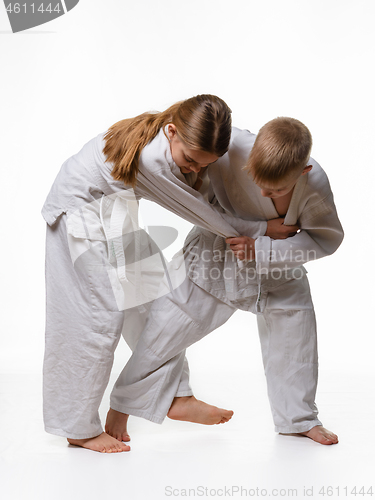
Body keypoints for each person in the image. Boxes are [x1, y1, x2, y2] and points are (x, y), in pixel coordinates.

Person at [42, 95, 295, 454]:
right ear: (171, 131)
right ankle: (77, 427)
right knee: (95, 321)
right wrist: (260, 228)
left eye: (202, 164)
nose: (194, 169)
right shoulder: (151, 160)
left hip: (113, 210)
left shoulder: (178, 140)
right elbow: (196, 211)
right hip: (78, 215)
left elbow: (231, 149)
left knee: (151, 302)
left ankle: (177, 395)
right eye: (190, 160)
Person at [104, 117, 344, 446]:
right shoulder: (229, 148)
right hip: (215, 257)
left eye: (275, 190)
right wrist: (253, 230)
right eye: (257, 180)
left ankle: (299, 420)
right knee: (166, 328)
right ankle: (123, 406)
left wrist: (262, 247)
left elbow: (325, 240)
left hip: (279, 267)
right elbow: (192, 189)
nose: (263, 193)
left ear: (302, 172)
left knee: (296, 335)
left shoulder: (315, 184)